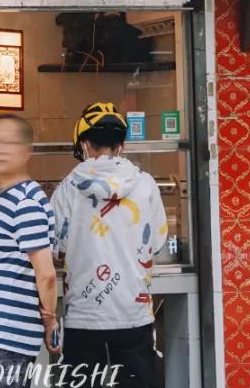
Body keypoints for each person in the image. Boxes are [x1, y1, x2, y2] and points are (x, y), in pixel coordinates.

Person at [51, 103, 168, 388]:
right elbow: (157, 241)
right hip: (133, 313)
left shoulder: (67, 188)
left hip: (83, 315)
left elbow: (55, 248)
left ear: (84, 144)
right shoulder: (145, 184)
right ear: (121, 146)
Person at [0, 115, 58, 388]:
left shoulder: (25, 202)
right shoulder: (4, 197)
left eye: (8, 143)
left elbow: (46, 274)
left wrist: (50, 321)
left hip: (5, 337)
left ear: (27, 151)